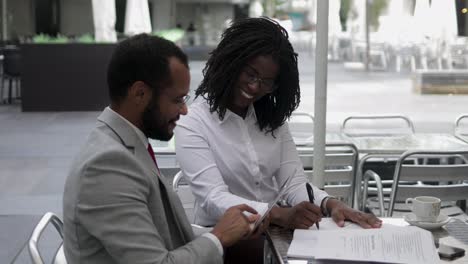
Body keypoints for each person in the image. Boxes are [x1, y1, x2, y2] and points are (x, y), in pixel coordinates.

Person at [63, 34, 261, 264]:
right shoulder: (106, 165)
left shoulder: (125, 144)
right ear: (139, 93)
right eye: (178, 99)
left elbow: (161, 237)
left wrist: (226, 234)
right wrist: (218, 237)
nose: (185, 110)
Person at [175, 17, 382, 230]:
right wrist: (277, 215)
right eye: (251, 74)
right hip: (222, 243)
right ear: (231, 62)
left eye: (267, 82)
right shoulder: (192, 122)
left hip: (272, 237)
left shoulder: (270, 119)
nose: (255, 87)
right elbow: (213, 197)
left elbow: (294, 184)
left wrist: (330, 203)